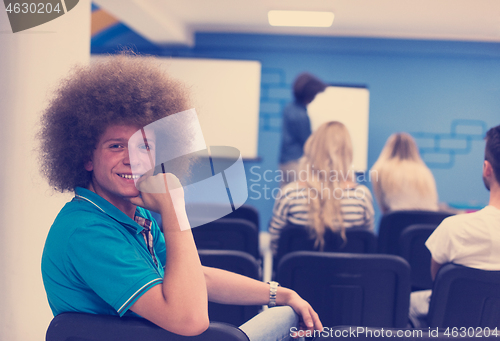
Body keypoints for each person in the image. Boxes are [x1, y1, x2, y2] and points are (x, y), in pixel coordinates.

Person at [39, 54, 322, 340]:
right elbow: (190, 321)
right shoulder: (87, 230)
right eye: (116, 146)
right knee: (286, 322)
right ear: (87, 157)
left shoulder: (134, 214)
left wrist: (280, 293)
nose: (132, 159)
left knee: (289, 313)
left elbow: (197, 278)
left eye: (144, 147)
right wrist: (174, 209)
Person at [409, 124, 500, 327]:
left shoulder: (454, 229)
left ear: (487, 169)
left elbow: (439, 283)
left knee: (407, 304)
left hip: (457, 329)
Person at [269, 121, 374, 255]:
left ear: (312, 149)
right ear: (347, 153)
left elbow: (276, 246)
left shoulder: (289, 195)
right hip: (348, 275)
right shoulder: (361, 197)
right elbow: (366, 247)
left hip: (299, 275)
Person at [371, 132, 439, 213]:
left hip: (398, 222)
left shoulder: (380, 169)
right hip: (429, 223)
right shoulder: (425, 172)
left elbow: (383, 208)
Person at [279, 73, 327, 185]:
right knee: (299, 197)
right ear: (309, 95)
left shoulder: (288, 108)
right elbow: (308, 143)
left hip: (284, 161)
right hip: (296, 163)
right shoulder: (301, 116)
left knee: (285, 195)